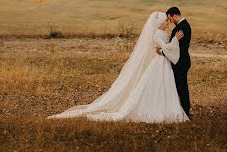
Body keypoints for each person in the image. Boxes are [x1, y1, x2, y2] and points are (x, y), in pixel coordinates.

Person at [47, 11, 189, 123]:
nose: (168, 23)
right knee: (157, 87)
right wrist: (175, 40)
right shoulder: (158, 34)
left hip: (163, 63)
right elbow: (167, 49)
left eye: (168, 20)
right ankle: (158, 110)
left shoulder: (163, 33)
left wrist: (167, 46)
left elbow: (165, 50)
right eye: (166, 21)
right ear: (159, 23)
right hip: (159, 64)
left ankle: (167, 108)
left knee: (164, 87)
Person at [156, 6, 191, 117]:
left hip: (180, 62)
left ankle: (184, 110)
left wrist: (161, 51)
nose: (169, 22)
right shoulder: (184, 25)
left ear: (174, 15)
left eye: (170, 19)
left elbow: (174, 49)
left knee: (181, 87)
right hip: (181, 61)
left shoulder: (180, 28)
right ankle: (180, 109)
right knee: (178, 87)